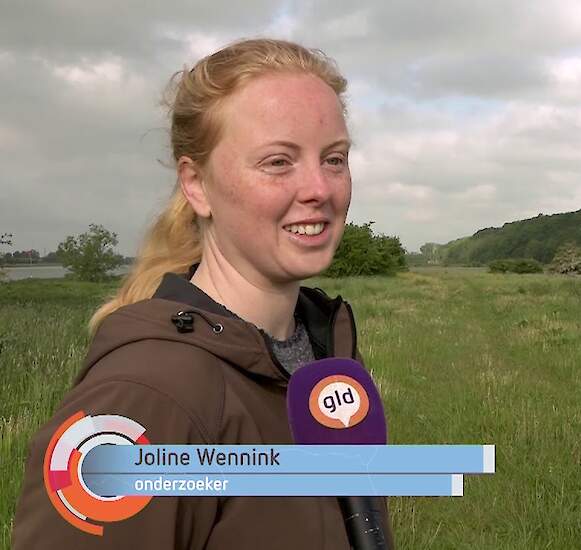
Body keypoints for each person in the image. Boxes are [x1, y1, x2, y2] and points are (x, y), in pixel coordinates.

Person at [12, 38, 394, 549]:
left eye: (334, 159)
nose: (319, 189)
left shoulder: (325, 358)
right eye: (278, 162)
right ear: (196, 185)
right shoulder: (147, 395)